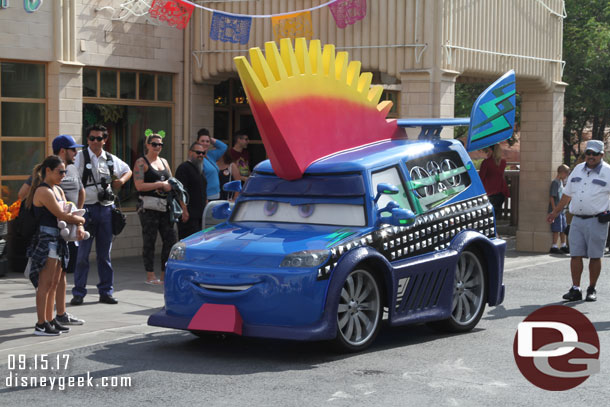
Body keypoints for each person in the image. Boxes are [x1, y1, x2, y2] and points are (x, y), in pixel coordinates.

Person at [18, 135, 87, 326]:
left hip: (59, 238)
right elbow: (62, 214)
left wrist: (78, 223)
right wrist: (80, 219)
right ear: (48, 171)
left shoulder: (57, 188)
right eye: (60, 172)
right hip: (46, 238)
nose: (64, 175)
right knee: (45, 284)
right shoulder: (44, 189)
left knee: (55, 282)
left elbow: (70, 207)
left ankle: (52, 318)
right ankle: (42, 322)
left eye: (65, 172)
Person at [70, 125, 132, 306]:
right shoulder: (80, 157)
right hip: (87, 209)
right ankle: (79, 292)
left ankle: (106, 291)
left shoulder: (110, 159)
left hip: (106, 209)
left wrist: (121, 180)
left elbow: (127, 170)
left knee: (104, 255)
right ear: (87, 140)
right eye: (92, 138)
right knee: (82, 255)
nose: (95, 142)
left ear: (105, 139)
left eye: (99, 138)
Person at [547, 140, 610, 302]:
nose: (590, 156)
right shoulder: (577, 170)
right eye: (588, 153)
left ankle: (592, 288)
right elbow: (567, 194)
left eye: (594, 154)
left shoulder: (608, 172)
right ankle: (576, 288)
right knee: (575, 255)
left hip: (597, 220)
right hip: (577, 220)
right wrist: (555, 212)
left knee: (595, 256)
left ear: (601, 155)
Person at [133, 133, 179, 285]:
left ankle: (165, 274)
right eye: (154, 144)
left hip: (165, 205)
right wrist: (160, 185)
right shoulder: (141, 162)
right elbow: (139, 186)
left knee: (170, 239)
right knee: (149, 240)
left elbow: (171, 180)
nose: (157, 147)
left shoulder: (164, 162)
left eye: (160, 145)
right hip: (149, 207)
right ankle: (150, 275)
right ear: (147, 145)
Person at [175, 142, 207, 239]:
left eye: (203, 153)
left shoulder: (200, 170)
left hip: (200, 215)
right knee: (189, 242)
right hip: (189, 215)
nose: (201, 155)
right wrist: (184, 211)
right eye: (198, 152)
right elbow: (179, 190)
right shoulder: (183, 168)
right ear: (190, 152)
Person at [197, 128, 228, 201]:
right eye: (202, 141)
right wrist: (204, 198)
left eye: (207, 141)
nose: (205, 143)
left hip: (217, 194)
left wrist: (211, 139)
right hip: (206, 197)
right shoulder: (197, 158)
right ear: (197, 142)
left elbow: (224, 147)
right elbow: (199, 181)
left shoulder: (211, 155)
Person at [479, 143, 509, 217]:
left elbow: (480, 178)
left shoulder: (486, 163)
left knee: (486, 216)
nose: (487, 152)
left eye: (488, 150)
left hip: (488, 193)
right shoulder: (503, 162)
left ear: (491, 150)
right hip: (500, 192)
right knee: (494, 215)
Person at [548, 164, 570, 254]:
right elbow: (552, 197)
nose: (566, 177)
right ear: (562, 173)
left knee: (563, 228)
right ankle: (554, 245)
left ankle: (563, 245)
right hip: (556, 209)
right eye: (566, 174)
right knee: (556, 228)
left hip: (562, 210)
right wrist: (554, 210)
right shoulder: (555, 182)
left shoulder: (561, 182)